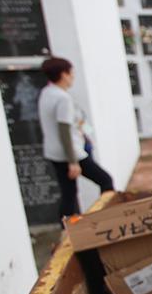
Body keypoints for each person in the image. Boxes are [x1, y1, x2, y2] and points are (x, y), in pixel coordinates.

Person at [37, 57, 114, 218]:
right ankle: (107, 217)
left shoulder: (47, 93)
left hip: (55, 152)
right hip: (70, 153)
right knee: (105, 181)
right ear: (63, 75)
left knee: (69, 193)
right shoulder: (62, 98)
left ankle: (68, 229)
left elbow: (74, 123)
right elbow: (64, 130)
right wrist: (73, 161)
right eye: (71, 73)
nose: (73, 77)